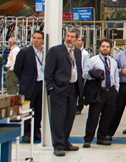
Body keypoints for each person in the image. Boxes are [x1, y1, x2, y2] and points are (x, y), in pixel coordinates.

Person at [44, 28, 84, 156]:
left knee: (69, 117)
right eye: (67, 36)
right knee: (58, 118)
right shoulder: (55, 51)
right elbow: (48, 71)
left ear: (77, 39)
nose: (69, 38)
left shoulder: (77, 52)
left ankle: (65, 141)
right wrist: (51, 87)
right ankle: (58, 145)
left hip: (73, 89)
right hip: (59, 89)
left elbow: (78, 69)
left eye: (72, 37)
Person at [82, 39, 119, 148]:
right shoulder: (93, 60)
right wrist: (93, 74)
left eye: (107, 46)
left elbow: (116, 76)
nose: (105, 48)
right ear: (99, 48)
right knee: (93, 116)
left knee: (107, 116)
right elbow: (84, 74)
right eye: (103, 46)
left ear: (110, 48)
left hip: (110, 91)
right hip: (99, 91)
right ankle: (88, 139)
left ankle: (101, 137)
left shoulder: (113, 62)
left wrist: (116, 89)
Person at [14, 31, 43, 142]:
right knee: (27, 111)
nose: (35, 40)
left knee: (39, 110)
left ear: (42, 40)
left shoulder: (45, 53)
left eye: (38, 38)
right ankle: (26, 133)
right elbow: (17, 68)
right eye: (34, 38)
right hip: (28, 86)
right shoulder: (25, 52)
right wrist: (25, 80)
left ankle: (36, 131)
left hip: (40, 85)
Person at [76, 35, 90, 115]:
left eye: (79, 40)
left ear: (82, 42)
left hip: (81, 74)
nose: (78, 42)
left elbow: (86, 64)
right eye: (77, 40)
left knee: (81, 91)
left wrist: (84, 75)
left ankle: (79, 107)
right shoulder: (73, 51)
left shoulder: (84, 53)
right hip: (74, 73)